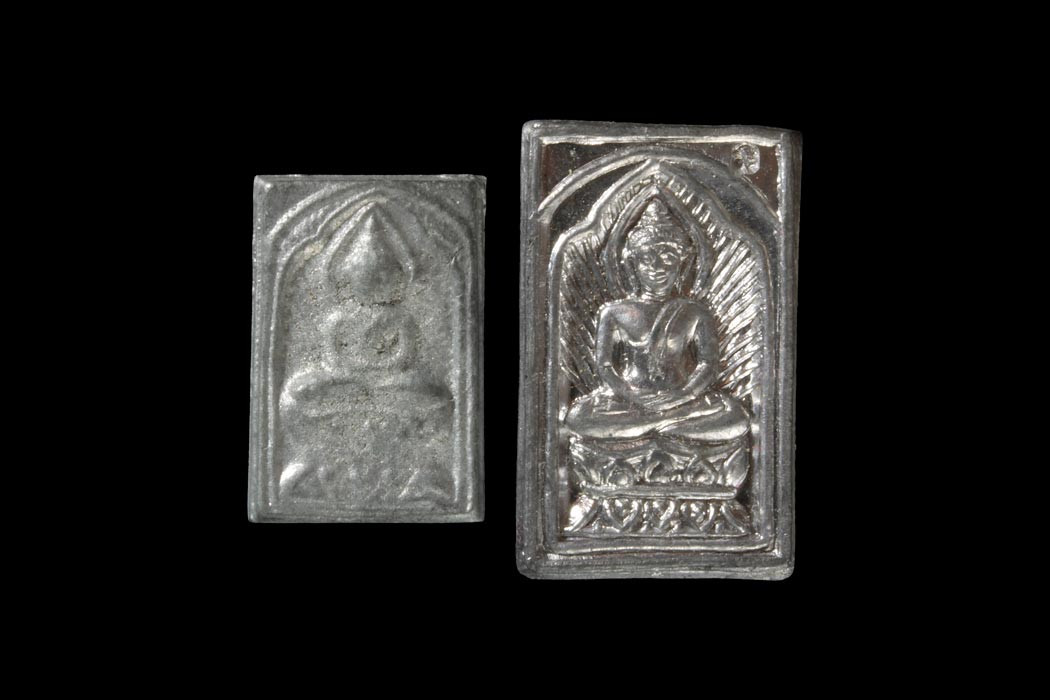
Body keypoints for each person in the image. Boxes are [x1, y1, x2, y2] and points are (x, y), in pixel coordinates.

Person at [565, 200, 749, 442]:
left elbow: (707, 365)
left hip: (682, 398)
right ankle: (665, 427)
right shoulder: (614, 312)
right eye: (646, 258)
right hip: (630, 398)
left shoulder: (694, 311)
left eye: (668, 257)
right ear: (631, 264)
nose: (657, 267)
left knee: (735, 416)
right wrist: (630, 395)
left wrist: (684, 395)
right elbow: (605, 366)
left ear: (683, 264)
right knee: (578, 416)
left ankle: (647, 428)